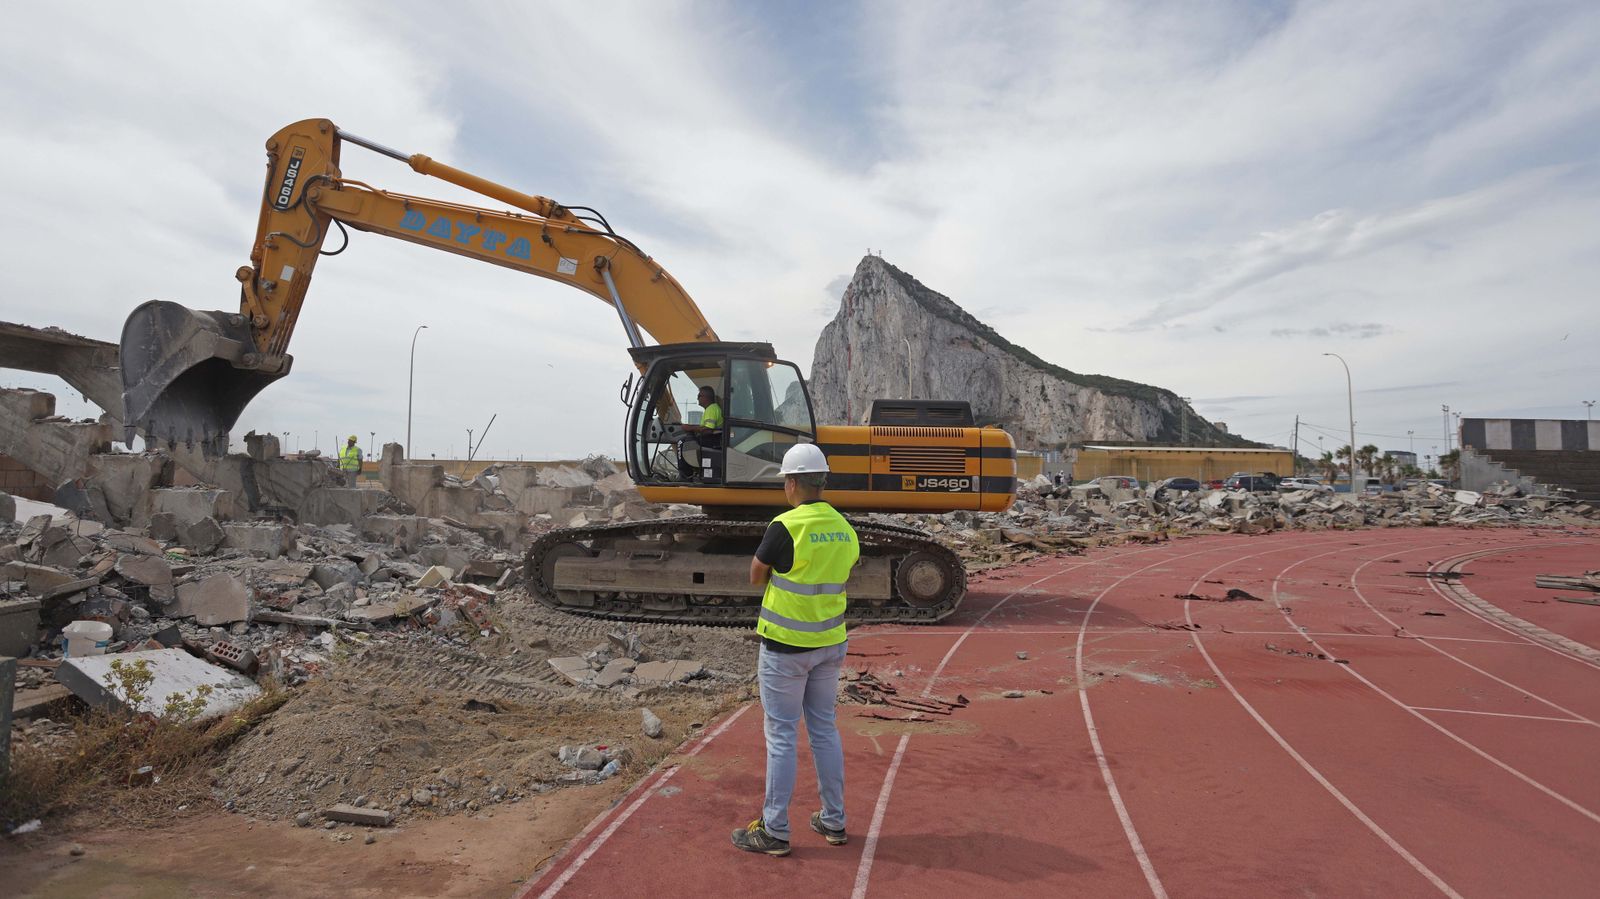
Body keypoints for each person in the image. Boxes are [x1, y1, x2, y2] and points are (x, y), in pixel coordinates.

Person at [732, 444, 858, 857]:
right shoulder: (844, 527)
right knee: (824, 729)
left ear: (791, 482)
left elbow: (756, 575)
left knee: (782, 735)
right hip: (829, 643)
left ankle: (775, 830)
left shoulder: (785, 526)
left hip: (786, 648)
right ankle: (834, 821)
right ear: (823, 480)